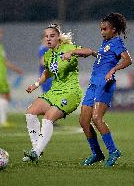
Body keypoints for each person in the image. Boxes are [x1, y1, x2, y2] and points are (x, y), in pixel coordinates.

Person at [62, 13, 133, 167]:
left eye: (105, 29)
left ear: (113, 29)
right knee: (83, 121)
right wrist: (85, 52)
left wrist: (113, 70)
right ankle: (97, 154)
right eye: (101, 29)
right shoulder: (105, 43)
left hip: (104, 84)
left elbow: (128, 60)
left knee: (97, 118)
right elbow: (101, 58)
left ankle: (113, 151)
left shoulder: (116, 42)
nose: (102, 32)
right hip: (93, 84)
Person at [23, 23, 93, 162]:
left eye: (52, 36)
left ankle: (36, 152)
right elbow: (48, 71)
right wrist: (36, 84)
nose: (48, 39)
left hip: (70, 93)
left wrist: (72, 52)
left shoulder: (67, 47)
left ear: (59, 37)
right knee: (30, 113)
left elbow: (88, 51)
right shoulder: (48, 54)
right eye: (46, 36)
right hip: (54, 92)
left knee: (48, 118)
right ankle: (36, 149)